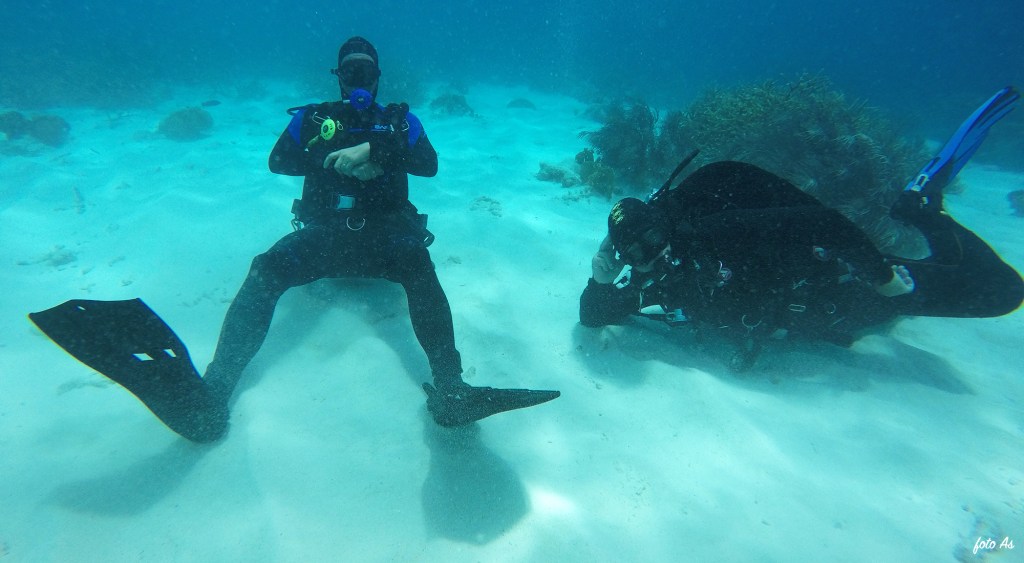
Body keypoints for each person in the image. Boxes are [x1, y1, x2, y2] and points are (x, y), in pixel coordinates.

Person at [29, 37, 558, 442]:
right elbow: (277, 161)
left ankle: (452, 389)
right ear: (337, 75)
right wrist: (330, 154)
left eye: (366, 72)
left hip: (386, 239)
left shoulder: (400, 123)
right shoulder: (313, 119)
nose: (359, 79)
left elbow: (431, 165)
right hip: (324, 236)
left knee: (420, 268)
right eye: (350, 71)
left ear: (378, 77)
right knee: (266, 269)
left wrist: (375, 150)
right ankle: (211, 395)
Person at [580, 158, 1023, 370]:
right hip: (815, 320)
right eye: (637, 253)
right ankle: (919, 218)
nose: (653, 254)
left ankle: (921, 211)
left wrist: (883, 279)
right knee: (980, 284)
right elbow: (595, 315)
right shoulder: (656, 282)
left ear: (665, 225)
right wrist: (600, 280)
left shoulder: (715, 233)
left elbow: (823, 221)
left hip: (844, 288)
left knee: (1002, 292)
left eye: (655, 239)